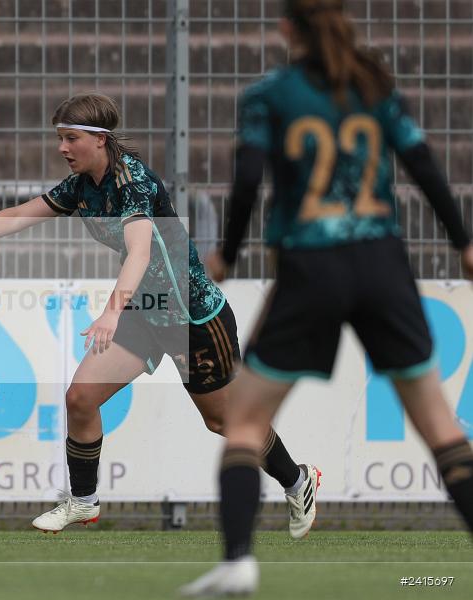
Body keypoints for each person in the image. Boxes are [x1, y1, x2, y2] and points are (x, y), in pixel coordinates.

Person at [181, 0, 473, 595]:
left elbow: (246, 180)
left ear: (286, 28)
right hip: (383, 266)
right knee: (441, 426)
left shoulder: (270, 95)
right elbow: (423, 165)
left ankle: (238, 561)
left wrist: (229, 254)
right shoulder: (373, 84)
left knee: (245, 421)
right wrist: (465, 244)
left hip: (310, 268)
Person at [0, 93, 319, 537]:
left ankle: (298, 481)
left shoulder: (134, 181)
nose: (62, 148)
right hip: (145, 310)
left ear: (100, 140)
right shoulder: (81, 187)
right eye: (60, 139)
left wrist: (110, 312)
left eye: (71, 138)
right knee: (80, 398)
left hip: (192, 316)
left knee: (224, 421)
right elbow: (16, 218)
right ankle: (83, 502)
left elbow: (140, 252)